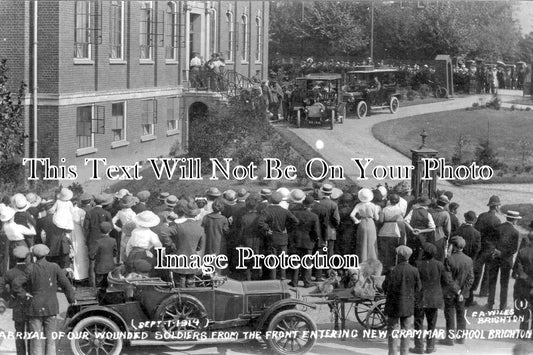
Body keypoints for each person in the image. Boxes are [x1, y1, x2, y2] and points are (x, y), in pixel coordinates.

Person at [25, 244, 76, 355]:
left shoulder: (29, 268)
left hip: (34, 308)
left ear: (34, 255)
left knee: (36, 339)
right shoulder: (54, 267)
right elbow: (66, 285)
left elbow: (18, 284)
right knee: (51, 338)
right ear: (47, 254)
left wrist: (25, 294)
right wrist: (72, 299)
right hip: (51, 307)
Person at [411, 243, 448, 354]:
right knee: (432, 324)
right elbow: (445, 281)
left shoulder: (417, 264)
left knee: (418, 323)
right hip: (434, 299)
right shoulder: (439, 265)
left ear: (424, 252)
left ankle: (418, 347)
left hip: (420, 298)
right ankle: (430, 347)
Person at [383, 245, 421, 355]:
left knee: (393, 330)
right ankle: (404, 353)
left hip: (393, 305)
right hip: (408, 305)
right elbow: (418, 289)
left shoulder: (392, 270)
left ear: (398, 257)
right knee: (406, 330)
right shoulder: (414, 270)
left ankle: (392, 353)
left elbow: (384, 286)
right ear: (409, 257)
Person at [440, 236, 473, 346]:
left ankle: (449, 338)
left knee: (449, 314)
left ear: (453, 246)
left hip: (450, 293)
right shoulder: (469, 260)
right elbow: (470, 278)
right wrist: (463, 292)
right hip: (463, 295)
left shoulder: (449, 259)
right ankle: (461, 337)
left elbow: (448, 279)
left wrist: (458, 291)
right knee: (461, 314)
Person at [163, 201, 205, 287]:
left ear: (185, 213)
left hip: (179, 261)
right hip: (193, 261)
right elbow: (200, 247)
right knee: (191, 283)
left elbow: (164, 232)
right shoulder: (200, 228)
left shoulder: (178, 226)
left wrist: (171, 244)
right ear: (196, 215)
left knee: (179, 284)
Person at [258, 191, 299, 280]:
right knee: (282, 260)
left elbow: (260, 222)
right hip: (283, 238)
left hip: (272, 238)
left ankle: (273, 280)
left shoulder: (266, 211)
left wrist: (267, 228)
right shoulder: (285, 211)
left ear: (270, 200)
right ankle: (283, 278)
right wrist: (287, 228)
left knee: (272, 261)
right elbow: (296, 221)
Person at [487, 210, 521, 311]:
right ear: (514, 220)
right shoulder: (515, 232)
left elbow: (491, 242)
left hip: (494, 258)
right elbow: (514, 249)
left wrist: (495, 251)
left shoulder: (498, 228)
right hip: (506, 260)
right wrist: (503, 253)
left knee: (492, 281)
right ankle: (502, 306)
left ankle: (490, 304)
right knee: (504, 284)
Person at [1, 245, 31, 355]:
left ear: (15, 257)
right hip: (30, 304)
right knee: (31, 332)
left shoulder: (10, 273)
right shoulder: (31, 269)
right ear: (27, 257)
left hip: (17, 305)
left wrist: (8, 296)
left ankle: (21, 353)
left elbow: (1, 287)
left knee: (19, 332)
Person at [288, 191, 321, 288]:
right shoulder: (314, 216)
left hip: (296, 240)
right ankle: (307, 282)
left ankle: (294, 281)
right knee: (307, 262)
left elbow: (290, 226)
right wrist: (315, 240)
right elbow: (316, 232)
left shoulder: (295, 213)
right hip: (308, 241)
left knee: (295, 261)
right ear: (312, 205)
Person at [474, 195, 502, 299]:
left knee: (477, 267)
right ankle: (483, 292)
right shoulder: (497, 220)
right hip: (490, 247)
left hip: (480, 245)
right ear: (496, 207)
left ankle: (473, 287)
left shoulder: (481, 216)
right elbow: (498, 237)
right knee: (488, 270)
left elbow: (476, 230)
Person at [455, 211, 481, 307]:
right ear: (474, 221)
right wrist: (472, 260)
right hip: (470, 259)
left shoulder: (459, 230)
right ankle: (468, 300)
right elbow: (477, 249)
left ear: (465, 218)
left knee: (457, 278)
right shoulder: (477, 233)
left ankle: (456, 298)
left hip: (458, 257)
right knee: (468, 279)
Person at [512, 229, 533, 336]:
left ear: (529, 240)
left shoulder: (522, 252)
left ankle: (523, 333)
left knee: (526, 309)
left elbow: (519, 269)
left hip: (524, 285)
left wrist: (526, 279)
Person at [404, 196, 435, 264]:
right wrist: (421, 231)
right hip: (422, 236)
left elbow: (405, 221)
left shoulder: (413, 211)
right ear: (426, 205)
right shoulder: (428, 214)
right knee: (420, 252)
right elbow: (432, 227)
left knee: (411, 251)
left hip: (412, 235)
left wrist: (412, 229)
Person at [350, 188, 379, 263]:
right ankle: (372, 260)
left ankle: (362, 260)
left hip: (362, 223)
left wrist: (356, 221)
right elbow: (377, 218)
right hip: (370, 223)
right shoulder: (373, 205)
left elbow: (352, 215)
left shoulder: (358, 205)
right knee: (371, 243)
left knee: (362, 243)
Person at [239, 194, 263, 280]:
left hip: (247, 240)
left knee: (247, 260)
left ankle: (248, 278)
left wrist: (240, 241)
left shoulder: (244, 217)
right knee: (256, 258)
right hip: (257, 239)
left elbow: (242, 231)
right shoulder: (259, 216)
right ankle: (256, 278)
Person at [378, 193, 404, 271]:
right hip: (395, 231)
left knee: (384, 252)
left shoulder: (384, 209)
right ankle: (392, 268)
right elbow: (400, 221)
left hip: (384, 231)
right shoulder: (400, 210)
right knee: (393, 252)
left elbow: (381, 220)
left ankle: (383, 268)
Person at [90, 222, 118, 289]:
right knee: (109, 286)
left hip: (100, 267)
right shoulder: (113, 240)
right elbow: (115, 253)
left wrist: (93, 258)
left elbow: (91, 254)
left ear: (99, 230)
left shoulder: (97, 242)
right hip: (111, 267)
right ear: (110, 230)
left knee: (100, 287)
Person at [71, 199, 89, 283]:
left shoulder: (66, 211)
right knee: (80, 252)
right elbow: (83, 224)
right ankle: (81, 275)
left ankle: (73, 275)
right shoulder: (80, 211)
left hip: (69, 232)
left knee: (72, 252)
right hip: (78, 232)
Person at [429, 195, 451, 261]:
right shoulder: (445, 214)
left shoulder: (429, 211)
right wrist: (447, 237)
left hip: (429, 232)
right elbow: (447, 229)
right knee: (439, 254)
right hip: (439, 234)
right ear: (445, 204)